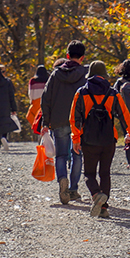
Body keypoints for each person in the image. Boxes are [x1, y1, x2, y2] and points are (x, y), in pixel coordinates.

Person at [69, 60, 130, 218]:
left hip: (88, 140)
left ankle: (96, 195)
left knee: (89, 174)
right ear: (104, 75)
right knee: (105, 173)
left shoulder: (81, 93)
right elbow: (124, 116)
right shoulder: (113, 93)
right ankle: (104, 207)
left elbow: (74, 118)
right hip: (108, 140)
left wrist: (76, 139)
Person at [39, 42, 88, 204]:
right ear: (82, 57)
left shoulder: (55, 75)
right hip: (79, 122)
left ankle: (62, 180)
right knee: (77, 154)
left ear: (67, 56)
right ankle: (73, 189)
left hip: (58, 120)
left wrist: (46, 121)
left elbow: (46, 99)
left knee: (61, 155)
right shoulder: (85, 74)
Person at [26, 65, 49, 136]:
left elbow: (30, 92)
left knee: (32, 117)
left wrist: (31, 100)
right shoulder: (48, 80)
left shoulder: (33, 80)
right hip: (46, 102)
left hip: (36, 102)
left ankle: (38, 131)